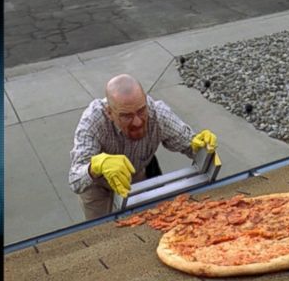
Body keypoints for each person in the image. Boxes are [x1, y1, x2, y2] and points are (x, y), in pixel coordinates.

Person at [69, 74, 217, 220]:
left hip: (135, 176)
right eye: (126, 116)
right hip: (97, 186)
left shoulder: (158, 114)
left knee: (145, 223)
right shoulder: (92, 122)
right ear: (109, 113)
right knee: (101, 232)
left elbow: (190, 144)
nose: (137, 122)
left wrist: (201, 145)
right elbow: (75, 180)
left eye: (141, 111)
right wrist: (94, 167)